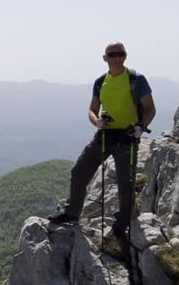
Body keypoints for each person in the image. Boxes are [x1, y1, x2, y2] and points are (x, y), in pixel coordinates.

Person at [48, 42, 156, 242]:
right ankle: (72, 213)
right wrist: (97, 121)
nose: (117, 57)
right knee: (79, 171)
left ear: (125, 56)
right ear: (105, 58)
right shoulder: (100, 82)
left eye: (120, 54)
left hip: (128, 137)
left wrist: (141, 126)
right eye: (112, 54)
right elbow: (92, 110)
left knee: (126, 183)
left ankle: (120, 226)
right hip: (105, 135)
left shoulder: (136, 80)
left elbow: (150, 108)